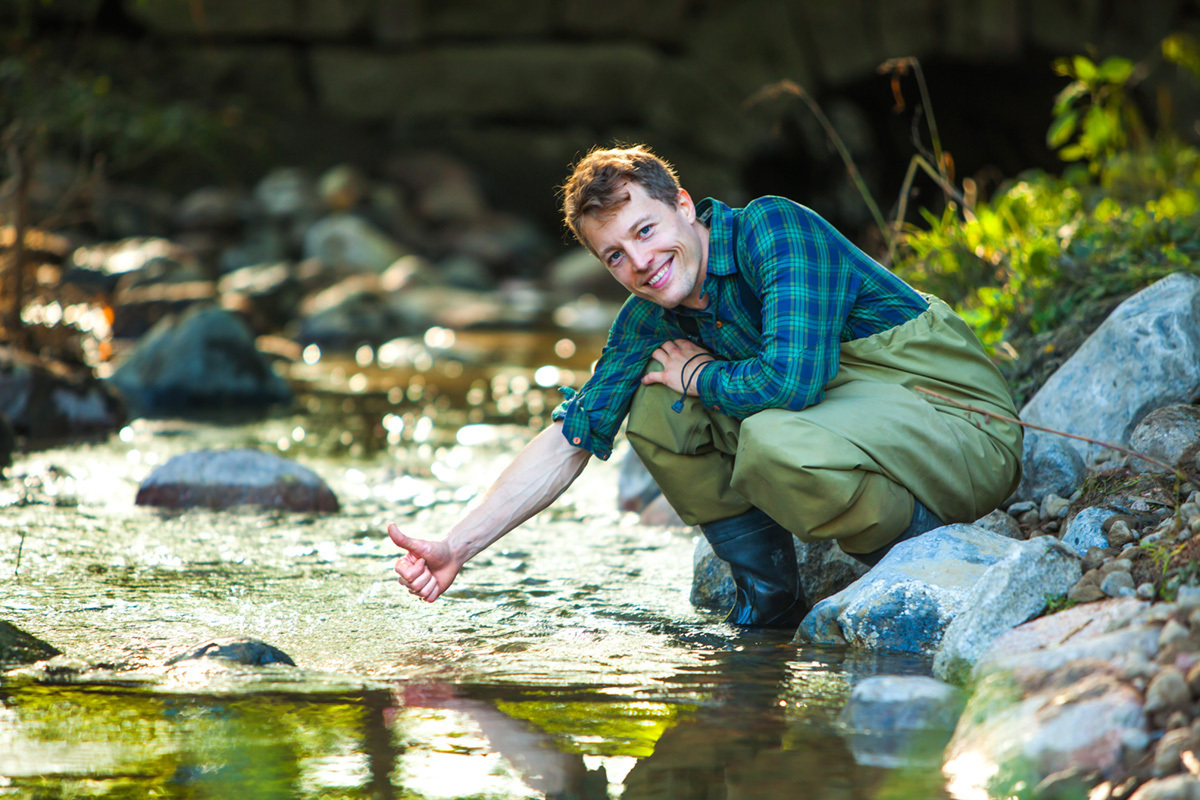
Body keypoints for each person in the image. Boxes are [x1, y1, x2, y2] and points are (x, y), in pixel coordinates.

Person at [388, 144, 1022, 629]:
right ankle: (770, 606)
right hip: (867, 430)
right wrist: (456, 546)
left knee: (770, 435)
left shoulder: (774, 230)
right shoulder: (648, 318)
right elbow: (569, 439)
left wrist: (698, 374)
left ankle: (921, 563)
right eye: (613, 255)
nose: (638, 263)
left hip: (966, 432)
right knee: (657, 410)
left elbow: (795, 382)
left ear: (684, 206)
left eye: (645, 231)